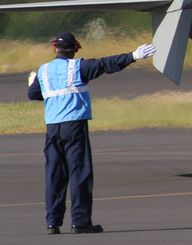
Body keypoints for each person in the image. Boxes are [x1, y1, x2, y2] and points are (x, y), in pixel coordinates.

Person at [27, 32, 156, 235]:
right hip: (74, 127)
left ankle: (53, 223)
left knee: (55, 175)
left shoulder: (43, 70)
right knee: (79, 173)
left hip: (52, 129)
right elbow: (105, 64)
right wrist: (134, 56)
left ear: (54, 49)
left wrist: (37, 82)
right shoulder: (78, 67)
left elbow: (33, 94)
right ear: (75, 49)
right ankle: (80, 222)